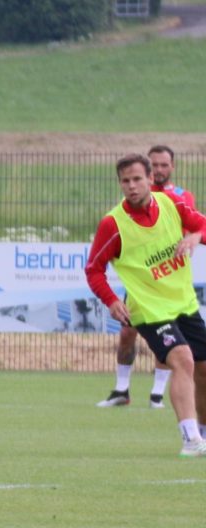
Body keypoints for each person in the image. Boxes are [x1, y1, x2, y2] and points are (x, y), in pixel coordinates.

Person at [86, 153, 206, 458]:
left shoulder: (172, 204)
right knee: (183, 360)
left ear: (150, 179)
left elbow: (201, 226)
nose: (132, 186)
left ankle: (201, 433)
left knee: (203, 370)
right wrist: (111, 300)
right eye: (125, 181)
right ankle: (190, 438)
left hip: (184, 303)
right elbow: (93, 269)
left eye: (137, 179)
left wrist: (194, 237)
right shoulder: (112, 224)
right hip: (149, 311)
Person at [97, 145, 195, 409]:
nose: (161, 169)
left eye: (165, 165)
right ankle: (121, 390)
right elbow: (94, 268)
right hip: (143, 286)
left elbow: (194, 227)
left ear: (170, 167)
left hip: (171, 286)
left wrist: (193, 238)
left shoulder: (180, 198)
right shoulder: (118, 217)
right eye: (157, 164)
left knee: (179, 350)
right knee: (128, 332)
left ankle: (157, 393)